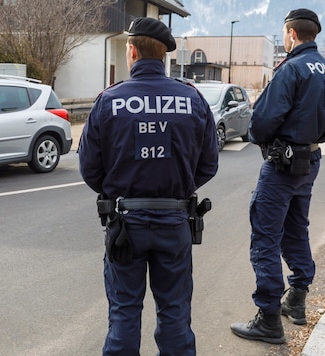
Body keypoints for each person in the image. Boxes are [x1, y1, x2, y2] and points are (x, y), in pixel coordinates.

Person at [78, 17, 219, 355]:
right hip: (175, 222)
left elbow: (89, 168)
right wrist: (178, 187)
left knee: (124, 312)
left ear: (131, 51)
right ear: (164, 55)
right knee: (174, 312)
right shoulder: (192, 99)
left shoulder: (109, 100)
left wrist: (120, 191)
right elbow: (209, 164)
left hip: (125, 223)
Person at [230, 8, 325, 344]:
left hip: (282, 163)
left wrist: (259, 136)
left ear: (291, 33)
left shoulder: (292, 68)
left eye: (284, 33)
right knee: (296, 227)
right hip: (311, 159)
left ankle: (268, 318)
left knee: (265, 235)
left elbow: (263, 121)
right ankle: (297, 300)